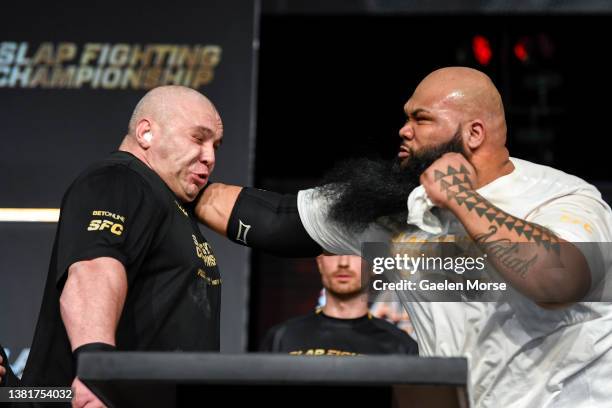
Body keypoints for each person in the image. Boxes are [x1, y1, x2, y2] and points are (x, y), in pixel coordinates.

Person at [194, 67, 612, 407]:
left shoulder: (562, 198)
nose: (404, 130)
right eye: (407, 116)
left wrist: (460, 198)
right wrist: (172, 178)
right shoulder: (402, 207)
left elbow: (558, 280)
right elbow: (277, 220)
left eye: (421, 119)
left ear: (474, 134)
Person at [19, 85, 223, 408]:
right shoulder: (119, 180)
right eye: (198, 138)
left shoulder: (166, 202)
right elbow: (93, 271)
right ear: (146, 133)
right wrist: (97, 374)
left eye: (216, 145)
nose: (210, 157)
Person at [261, 254, 417, 355]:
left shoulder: (401, 346)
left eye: (353, 251)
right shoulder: (282, 337)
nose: (343, 262)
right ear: (320, 262)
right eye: (332, 251)